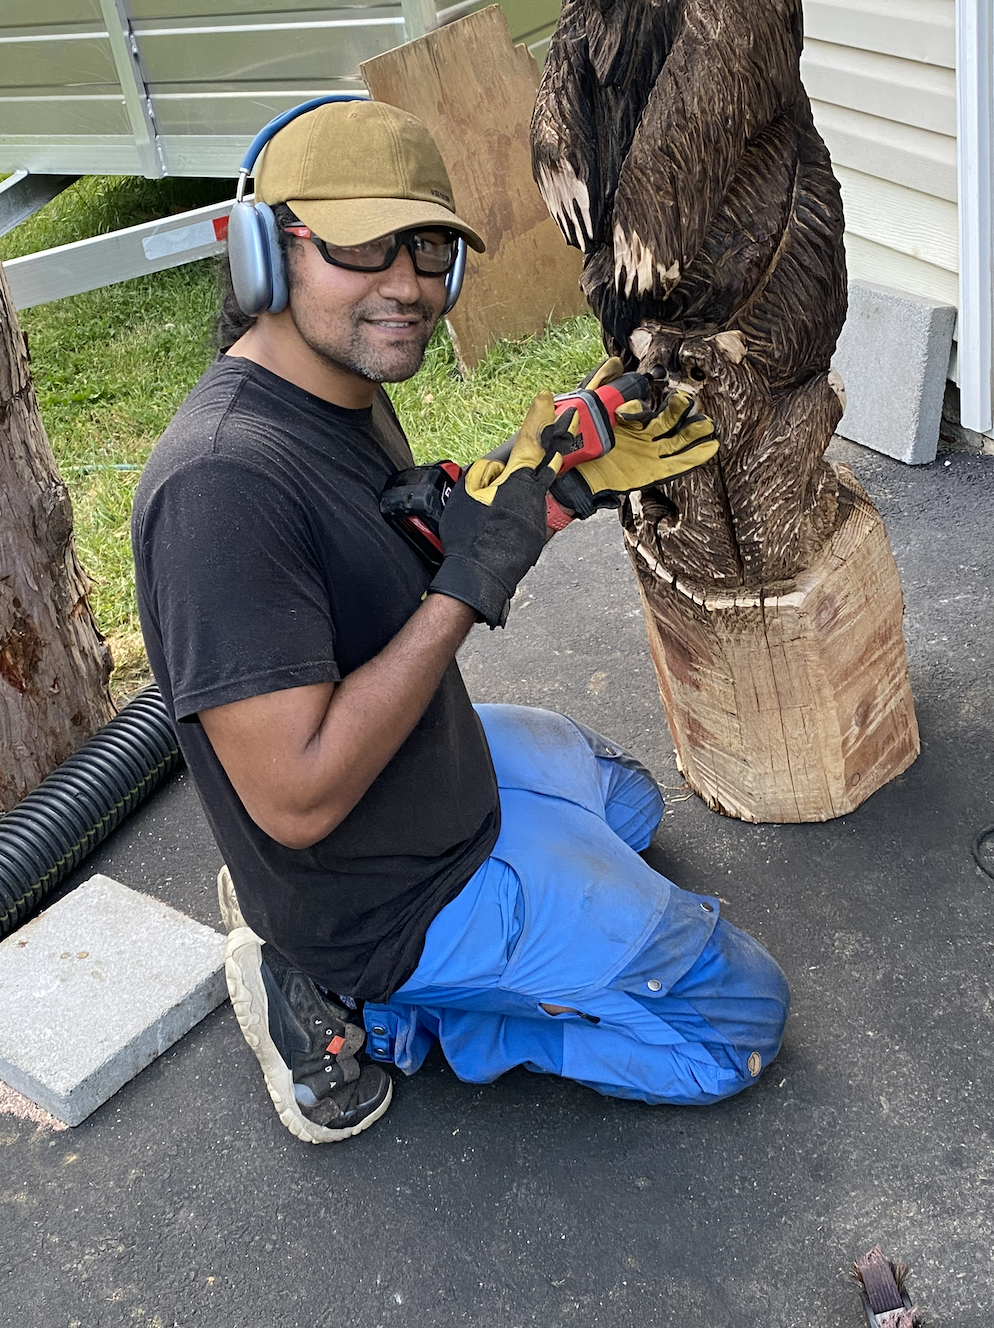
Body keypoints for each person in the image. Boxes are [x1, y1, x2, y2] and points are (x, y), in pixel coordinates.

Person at [132, 99, 789, 1145]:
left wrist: (538, 484)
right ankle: (376, 1007)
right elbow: (296, 800)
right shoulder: (221, 487)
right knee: (739, 1019)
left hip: (433, 774)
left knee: (627, 801)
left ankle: (503, 952)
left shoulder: (342, 381)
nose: (405, 284)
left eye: (427, 247)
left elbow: (361, 546)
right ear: (263, 254)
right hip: (382, 895)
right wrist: (468, 583)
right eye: (360, 245)